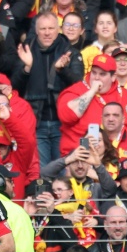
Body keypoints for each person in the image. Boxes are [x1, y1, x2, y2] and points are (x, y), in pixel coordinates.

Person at [13, 10, 83, 166]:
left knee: (64, 173)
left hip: (63, 124)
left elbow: (80, 87)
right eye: (43, 29)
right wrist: (27, 68)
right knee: (42, 174)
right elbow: (15, 88)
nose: (47, 33)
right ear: (36, 31)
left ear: (58, 29)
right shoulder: (26, 51)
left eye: (51, 28)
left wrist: (62, 70)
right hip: (36, 123)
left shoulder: (70, 52)